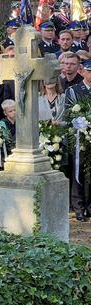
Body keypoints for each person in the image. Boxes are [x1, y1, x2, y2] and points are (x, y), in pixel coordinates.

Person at [64, 59, 91, 220]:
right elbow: (68, 113)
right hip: (79, 137)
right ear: (83, 72)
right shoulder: (74, 90)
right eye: (89, 71)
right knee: (78, 171)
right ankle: (79, 206)